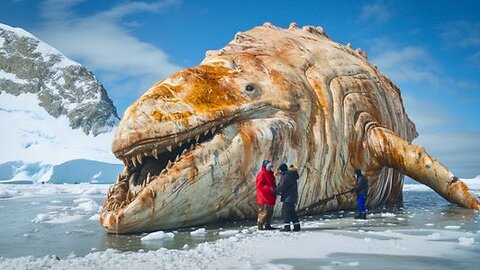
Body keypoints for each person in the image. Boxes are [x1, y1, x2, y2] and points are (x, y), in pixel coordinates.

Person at [277, 163, 300, 231]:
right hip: (292, 197)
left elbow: (282, 187)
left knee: (286, 212)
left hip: (288, 198)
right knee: (292, 212)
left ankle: (287, 227)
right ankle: (297, 226)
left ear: (282, 170)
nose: (279, 171)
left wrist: (274, 190)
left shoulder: (286, 176)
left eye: (280, 170)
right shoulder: (291, 175)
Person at [255, 160, 277, 230]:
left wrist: (275, 189)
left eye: (271, 166)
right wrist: (270, 189)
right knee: (264, 212)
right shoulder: (262, 174)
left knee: (269, 212)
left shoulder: (270, 173)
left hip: (270, 196)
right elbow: (259, 185)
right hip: (264, 197)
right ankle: (260, 225)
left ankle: (268, 225)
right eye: (269, 166)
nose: (270, 168)